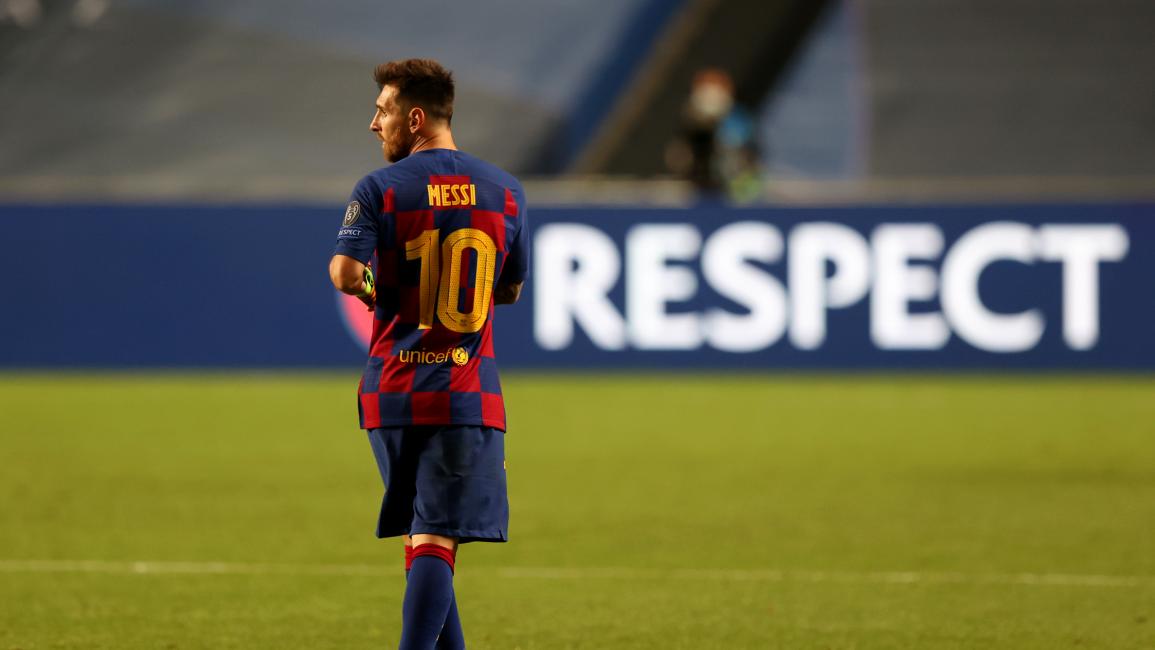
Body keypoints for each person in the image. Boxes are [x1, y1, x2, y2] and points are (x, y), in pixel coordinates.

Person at [328, 58, 529, 650]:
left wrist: (381, 293)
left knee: (427, 536)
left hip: (389, 393)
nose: (374, 123)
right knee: (438, 537)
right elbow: (511, 289)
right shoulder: (505, 191)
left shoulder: (379, 189)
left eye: (382, 110)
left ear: (415, 119)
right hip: (463, 393)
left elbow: (344, 272)